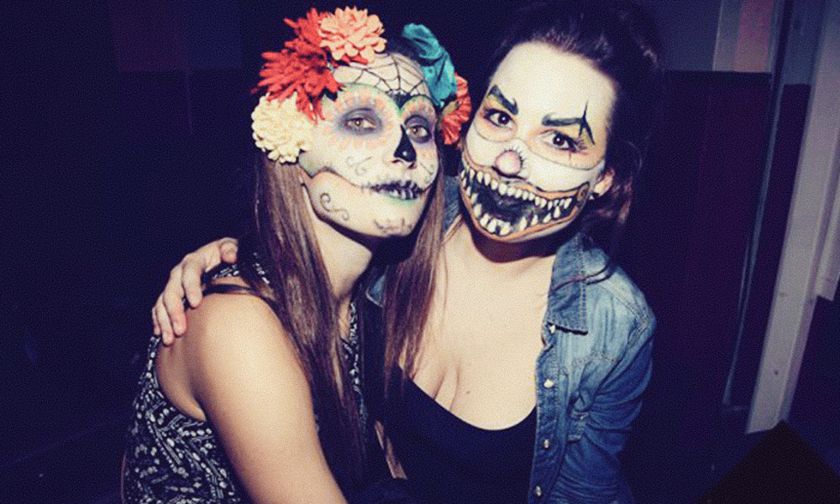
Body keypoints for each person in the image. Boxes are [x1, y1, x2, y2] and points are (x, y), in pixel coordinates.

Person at [152, 1, 663, 502]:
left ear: (607, 176)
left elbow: (582, 491)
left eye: (560, 140)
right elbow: (305, 242)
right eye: (500, 116)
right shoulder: (408, 218)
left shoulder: (613, 325)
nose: (509, 160)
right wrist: (236, 253)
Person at [123, 7, 470, 503]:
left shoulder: (373, 293)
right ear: (290, 143)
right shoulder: (238, 325)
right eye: (360, 120)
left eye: (418, 128)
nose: (404, 150)